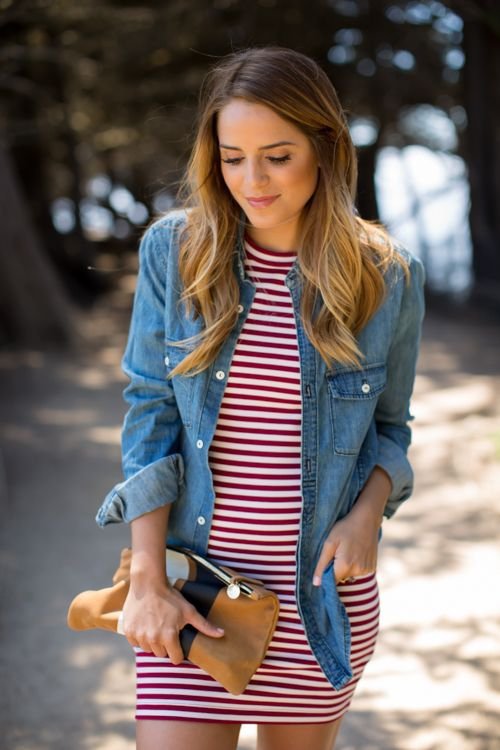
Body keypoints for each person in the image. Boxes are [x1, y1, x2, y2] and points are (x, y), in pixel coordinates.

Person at [96, 46, 425, 750]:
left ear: (325, 149)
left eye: (277, 156)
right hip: (189, 592)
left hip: (320, 602)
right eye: (232, 156)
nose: (253, 180)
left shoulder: (387, 277)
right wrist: (148, 578)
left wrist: (368, 515)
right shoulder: (175, 252)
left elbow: (392, 429)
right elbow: (150, 413)